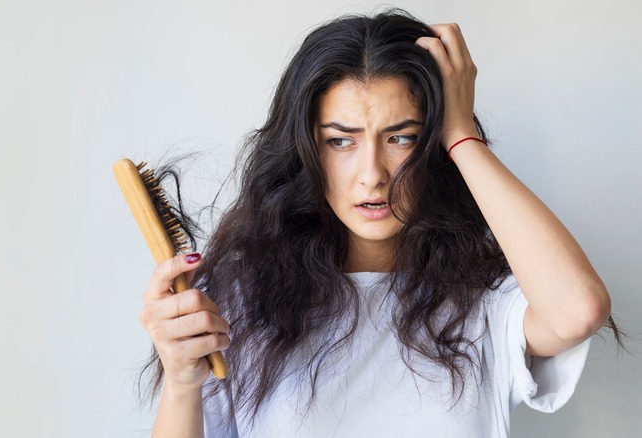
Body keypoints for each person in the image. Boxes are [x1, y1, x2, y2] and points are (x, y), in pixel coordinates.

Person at [136, 9, 617, 437]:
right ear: (305, 150)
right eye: (341, 141)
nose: (373, 175)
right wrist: (180, 381)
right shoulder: (240, 301)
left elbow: (578, 311)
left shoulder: (486, 302)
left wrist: (461, 131)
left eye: (402, 138)